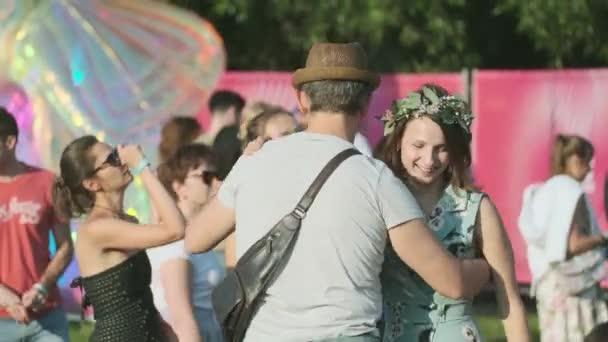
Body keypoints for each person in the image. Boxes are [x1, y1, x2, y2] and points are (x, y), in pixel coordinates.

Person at [184, 42, 489, 342]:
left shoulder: (253, 162)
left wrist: (241, 169)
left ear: (302, 100)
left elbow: (196, 239)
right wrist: (486, 269)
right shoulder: (377, 180)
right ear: (366, 103)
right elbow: (451, 281)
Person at [376, 85, 530, 341]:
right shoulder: (379, 199)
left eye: (441, 148)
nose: (429, 159)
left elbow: (510, 302)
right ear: (398, 142)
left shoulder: (478, 208)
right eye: (419, 145)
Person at [54, 136, 185, 341]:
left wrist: (161, 327)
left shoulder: (127, 221)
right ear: (91, 184)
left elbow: (138, 295)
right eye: (112, 158)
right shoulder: (97, 229)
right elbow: (175, 229)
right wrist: (141, 166)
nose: (123, 161)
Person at [519, 134, 608, 342]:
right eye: (588, 161)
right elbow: (573, 244)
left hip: (548, 285)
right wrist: (603, 238)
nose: (590, 169)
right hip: (572, 289)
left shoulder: (543, 191)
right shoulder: (572, 191)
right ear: (576, 159)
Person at [0, 107, 73, 342]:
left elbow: (65, 247)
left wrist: (42, 287)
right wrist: (6, 299)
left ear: (9, 142)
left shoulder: (48, 182)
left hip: (46, 318)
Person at [149, 144, 224, 342]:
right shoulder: (175, 242)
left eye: (217, 175)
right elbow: (181, 318)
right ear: (179, 187)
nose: (216, 182)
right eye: (206, 177)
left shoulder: (195, 235)